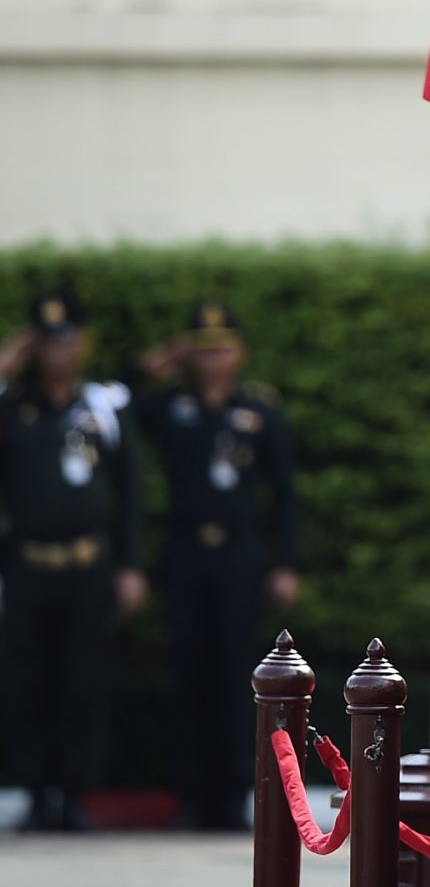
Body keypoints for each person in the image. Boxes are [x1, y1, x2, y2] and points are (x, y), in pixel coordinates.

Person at [134, 301, 300, 830]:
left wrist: (286, 562)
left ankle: (231, 797)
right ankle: (190, 797)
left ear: (240, 353)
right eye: (202, 350)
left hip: (239, 555)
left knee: (236, 679)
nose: (212, 360)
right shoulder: (171, 407)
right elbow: (115, 407)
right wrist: (160, 360)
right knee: (189, 675)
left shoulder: (259, 409)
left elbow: (285, 492)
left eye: (222, 349)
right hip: (185, 553)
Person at [0, 291, 143, 832]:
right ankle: (38, 797)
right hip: (29, 565)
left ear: (82, 345)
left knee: (83, 683)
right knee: (30, 683)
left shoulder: (104, 405)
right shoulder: (14, 407)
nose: (59, 352)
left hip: (88, 565)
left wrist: (130, 565)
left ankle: (75, 797)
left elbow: (130, 490)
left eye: (67, 341)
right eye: (47, 342)